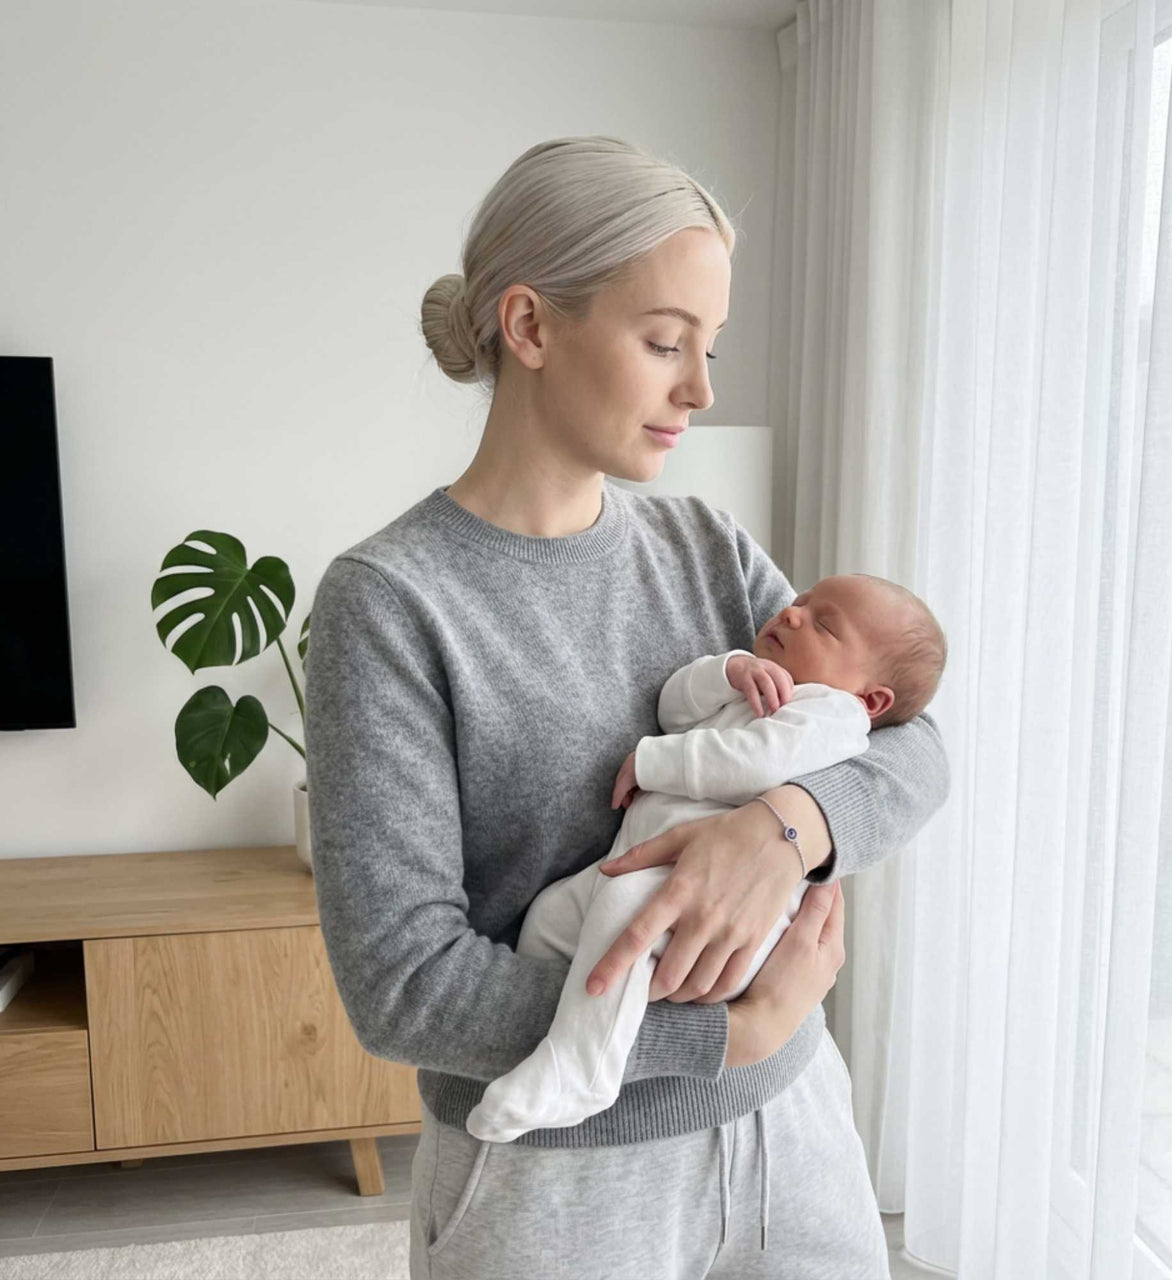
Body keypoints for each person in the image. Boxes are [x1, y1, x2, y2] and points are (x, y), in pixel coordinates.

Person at [303, 136, 950, 1280]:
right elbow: (405, 985)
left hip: (791, 1126)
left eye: (708, 348)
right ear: (531, 327)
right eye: (664, 343)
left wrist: (780, 827)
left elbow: (908, 746)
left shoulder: (703, 545)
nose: (699, 389)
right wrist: (715, 1032)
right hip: (557, 1181)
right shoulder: (391, 602)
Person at [465, 573, 946, 1144]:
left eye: (824, 625)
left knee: (626, 915)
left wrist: (653, 762)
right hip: (640, 870)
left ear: (870, 699)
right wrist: (726, 671)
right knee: (548, 917)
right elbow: (672, 708)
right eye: (801, 602)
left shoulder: (832, 714)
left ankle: (583, 1065)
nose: (792, 614)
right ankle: (573, 1031)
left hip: (713, 907)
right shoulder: (760, 685)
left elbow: (756, 763)